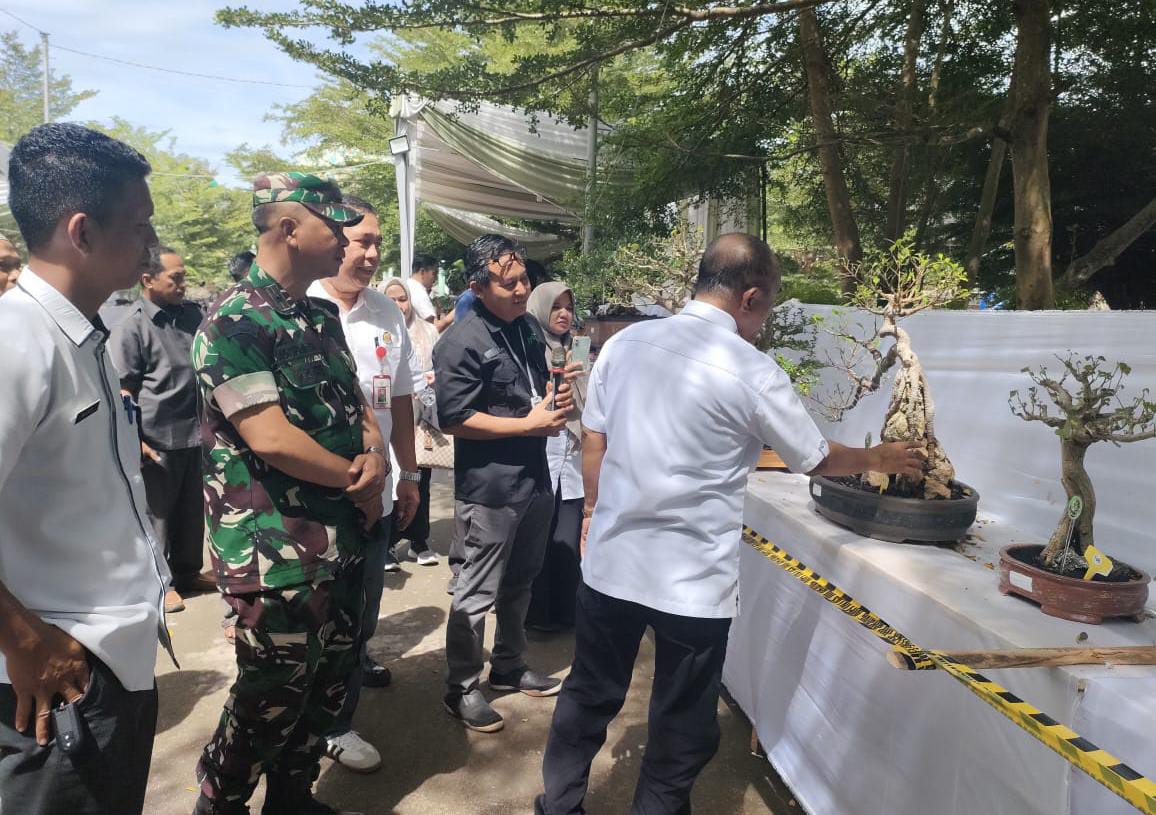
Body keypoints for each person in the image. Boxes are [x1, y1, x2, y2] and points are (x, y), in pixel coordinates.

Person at [535, 233, 926, 815]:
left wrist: (593, 510)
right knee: (681, 725)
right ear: (749, 299)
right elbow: (813, 457)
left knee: (587, 698)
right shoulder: (752, 369)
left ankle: (559, 806)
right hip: (692, 586)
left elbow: (595, 436)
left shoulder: (626, 344)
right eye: (766, 309)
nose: (764, 324)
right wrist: (876, 458)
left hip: (613, 565)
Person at [192, 172, 387, 815]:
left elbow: (356, 402)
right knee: (269, 691)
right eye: (335, 228)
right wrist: (357, 477)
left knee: (326, 684)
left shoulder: (320, 314)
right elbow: (270, 438)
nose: (345, 241)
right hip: (273, 547)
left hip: (340, 534)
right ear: (288, 229)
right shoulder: (234, 321)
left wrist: (378, 455)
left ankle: (293, 797)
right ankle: (220, 803)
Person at [0, 122, 173, 814]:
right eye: (139, 227)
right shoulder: (18, 343)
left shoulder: (86, 334)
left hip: (109, 662)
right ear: (82, 231)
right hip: (54, 680)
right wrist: (24, 636)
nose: (150, 247)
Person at [434, 234, 576, 733]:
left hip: (534, 478)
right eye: (508, 282)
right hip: (490, 490)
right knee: (475, 593)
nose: (521, 290)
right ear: (478, 285)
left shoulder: (527, 332)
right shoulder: (461, 340)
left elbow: (536, 393)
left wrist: (560, 388)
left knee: (521, 583)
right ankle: (462, 687)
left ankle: (509, 666)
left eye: (524, 280)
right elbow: (453, 417)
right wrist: (526, 426)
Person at [307, 195, 421, 775]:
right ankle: (300, 723)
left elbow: (400, 400)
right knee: (308, 621)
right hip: (310, 499)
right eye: (362, 242)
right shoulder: (297, 306)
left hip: (378, 493)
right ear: (331, 240)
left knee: (362, 614)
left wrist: (410, 474)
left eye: (378, 242)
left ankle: (337, 722)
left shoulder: (386, 312)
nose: (373, 254)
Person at [111, 246, 215, 615]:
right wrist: (133, 438)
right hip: (156, 437)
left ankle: (188, 573)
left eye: (184, 276)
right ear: (147, 279)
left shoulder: (191, 316)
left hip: (194, 431)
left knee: (191, 511)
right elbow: (123, 389)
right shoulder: (132, 326)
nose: (183, 284)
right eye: (176, 277)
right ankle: (161, 584)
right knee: (158, 515)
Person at [524, 282, 585, 632]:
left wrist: (577, 383)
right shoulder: (530, 352)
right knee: (538, 542)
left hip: (572, 461)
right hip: (540, 458)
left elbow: (589, 409)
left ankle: (565, 614)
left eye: (568, 306)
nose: (563, 314)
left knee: (567, 538)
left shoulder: (575, 352)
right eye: (555, 307)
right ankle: (535, 617)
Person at [383, 276, 441, 567]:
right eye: (391, 299)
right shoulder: (379, 330)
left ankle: (420, 540)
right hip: (389, 420)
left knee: (421, 480)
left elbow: (444, 367)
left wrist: (433, 380)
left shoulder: (429, 331)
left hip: (424, 421)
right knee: (391, 480)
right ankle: (389, 542)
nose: (397, 305)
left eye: (402, 299)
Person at [408, 253, 454, 332]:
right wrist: (457, 310)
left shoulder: (408, 285)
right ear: (422, 272)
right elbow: (434, 328)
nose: (435, 278)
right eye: (434, 273)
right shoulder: (418, 292)